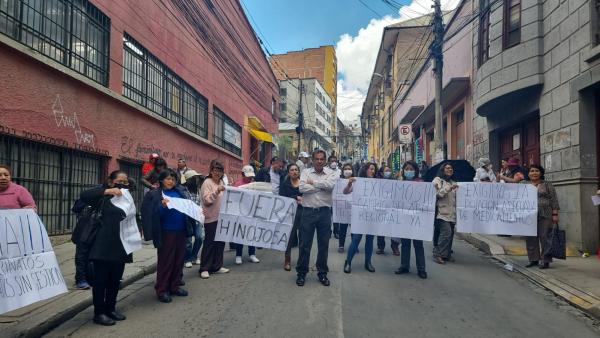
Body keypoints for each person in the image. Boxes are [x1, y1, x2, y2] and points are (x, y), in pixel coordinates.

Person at [79, 170, 133, 326]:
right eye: (119, 181)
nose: (122, 184)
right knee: (100, 281)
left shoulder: (127, 198)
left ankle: (111, 308)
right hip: (102, 246)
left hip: (121, 245)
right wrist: (107, 191)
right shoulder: (102, 196)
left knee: (114, 280)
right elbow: (84, 195)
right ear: (111, 181)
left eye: (125, 182)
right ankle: (99, 313)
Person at [141, 169, 193, 303]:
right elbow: (150, 214)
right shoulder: (154, 194)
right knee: (166, 261)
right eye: (168, 179)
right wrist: (162, 206)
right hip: (165, 231)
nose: (171, 181)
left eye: (173, 179)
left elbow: (187, 208)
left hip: (181, 230)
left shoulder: (179, 192)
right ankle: (162, 289)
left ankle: (174, 286)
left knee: (178, 259)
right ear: (161, 180)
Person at [296, 150, 337, 287]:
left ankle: (322, 273)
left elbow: (330, 186)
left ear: (325, 160)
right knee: (304, 244)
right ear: (313, 160)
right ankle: (301, 273)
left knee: (323, 245)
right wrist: (320, 186)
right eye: (317, 159)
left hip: (325, 213)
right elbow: (301, 187)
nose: (319, 161)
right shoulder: (305, 172)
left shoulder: (331, 173)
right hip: (308, 212)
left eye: (322, 159)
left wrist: (313, 183)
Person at [342, 162, 378, 274]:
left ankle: (368, 262)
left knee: (370, 239)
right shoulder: (358, 181)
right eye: (370, 169)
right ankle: (348, 261)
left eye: (374, 169)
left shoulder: (378, 182)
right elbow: (345, 192)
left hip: (372, 215)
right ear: (365, 170)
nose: (372, 171)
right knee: (356, 238)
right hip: (360, 216)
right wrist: (349, 184)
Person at [395, 161, 427, 279]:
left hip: (417, 218)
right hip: (404, 218)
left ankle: (421, 269)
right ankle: (404, 266)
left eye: (411, 169)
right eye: (406, 169)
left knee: (418, 244)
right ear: (403, 171)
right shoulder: (400, 183)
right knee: (405, 244)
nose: (409, 171)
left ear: (415, 170)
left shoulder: (421, 183)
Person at [199, 160, 230, 279]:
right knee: (209, 243)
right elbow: (207, 200)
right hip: (211, 218)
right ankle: (204, 268)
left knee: (220, 243)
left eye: (220, 170)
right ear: (211, 171)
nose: (217, 173)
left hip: (222, 218)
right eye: (215, 170)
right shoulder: (207, 182)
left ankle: (217, 266)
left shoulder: (222, 182)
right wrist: (217, 191)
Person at [524, 164, 560, 269]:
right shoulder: (524, 184)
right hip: (528, 215)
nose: (534, 173)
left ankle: (546, 260)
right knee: (530, 238)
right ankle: (533, 259)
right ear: (528, 173)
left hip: (545, 214)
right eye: (531, 171)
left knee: (545, 237)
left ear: (541, 173)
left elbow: (554, 200)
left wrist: (555, 214)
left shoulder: (547, 184)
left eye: (536, 171)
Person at [232, 165, 260, 265]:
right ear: (242, 174)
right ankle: (238, 255)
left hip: (252, 212)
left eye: (250, 176)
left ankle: (252, 254)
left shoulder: (254, 184)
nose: (249, 178)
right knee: (240, 234)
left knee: (251, 233)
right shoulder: (237, 184)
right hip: (240, 212)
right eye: (247, 176)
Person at [432, 162, 458, 264]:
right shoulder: (438, 180)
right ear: (443, 170)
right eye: (447, 168)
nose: (449, 170)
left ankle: (446, 254)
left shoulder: (453, 182)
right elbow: (438, 194)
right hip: (441, 213)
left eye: (451, 168)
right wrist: (449, 188)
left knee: (450, 235)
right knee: (446, 233)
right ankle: (437, 254)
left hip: (452, 213)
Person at [279, 163, 303, 271]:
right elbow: (281, 199)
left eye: (296, 170)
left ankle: (302, 260)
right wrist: (295, 197)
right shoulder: (284, 184)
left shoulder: (303, 184)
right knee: (289, 238)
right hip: (290, 214)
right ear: (288, 172)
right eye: (292, 170)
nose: (294, 172)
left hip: (303, 213)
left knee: (303, 238)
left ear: (298, 172)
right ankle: (287, 260)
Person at [376, 164, 400, 256]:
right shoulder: (377, 183)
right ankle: (380, 247)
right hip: (382, 208)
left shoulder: (395, 182)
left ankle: (395, 246)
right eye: (386, 171)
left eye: (389, 170)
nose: (388, 172)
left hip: (393, 208)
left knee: (395, 229)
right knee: (381, 228)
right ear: (381, 173)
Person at [183, 170, 205, 268]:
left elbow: (201, 202)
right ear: (189, 180)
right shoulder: (183, 190)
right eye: (194, 178)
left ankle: (194, 256)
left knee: (199, 237)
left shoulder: (199, 190)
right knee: (187, 241)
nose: (196, 180)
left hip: (197, 218)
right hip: (187, 218)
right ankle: (187, 258)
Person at [336, 163, 354, 253]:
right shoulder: (339, 181)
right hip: (342, 208)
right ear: (343, 171)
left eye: (349, 168)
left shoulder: (357, 181)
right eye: (346, 169)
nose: (347, 170)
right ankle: (341, 245)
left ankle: (354, 245)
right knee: (342, 228)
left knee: (354, 229)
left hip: (353, 208)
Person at [328, 154, 341, 238]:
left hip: (337, 196)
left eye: (335, 161)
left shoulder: (339, 171)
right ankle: (328, 231)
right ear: (329, 162)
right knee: (328, 216)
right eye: (332, 161)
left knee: (336, 215)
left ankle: (336, 231)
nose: (333, 162)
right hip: (327, 196)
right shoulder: (325, 170)